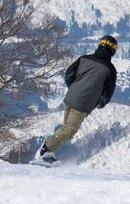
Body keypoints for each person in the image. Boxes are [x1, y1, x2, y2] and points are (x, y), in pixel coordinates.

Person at [36, 35, 118, 163]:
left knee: (66, 129)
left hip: (70, 98)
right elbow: (108, 92)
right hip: (83, 103)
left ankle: (48, 153)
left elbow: (69, 74)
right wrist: (100, 103)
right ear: (113, 50)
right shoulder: (110, 69)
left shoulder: (84, 58)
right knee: (69, 131)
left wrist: (74, 89)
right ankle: (45, 149)